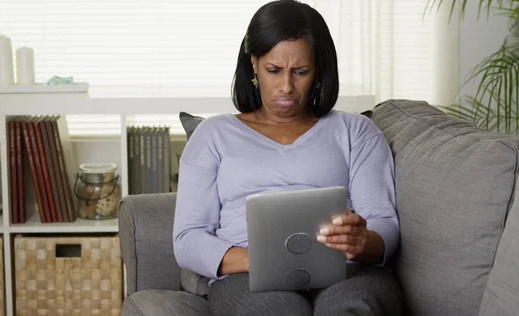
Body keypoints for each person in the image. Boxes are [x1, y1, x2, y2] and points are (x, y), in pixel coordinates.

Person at [173, 1, 404, 315]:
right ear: (253, 63)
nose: (286, 86)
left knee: (352, 308)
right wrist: (256, 259)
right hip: (248, 276)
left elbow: (385, 224)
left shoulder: (356, 132)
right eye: (274, 70)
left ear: (318, 69)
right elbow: (188, 238)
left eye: (301, 71)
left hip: (347, 271)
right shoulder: (213, 135)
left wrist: (364, 241)